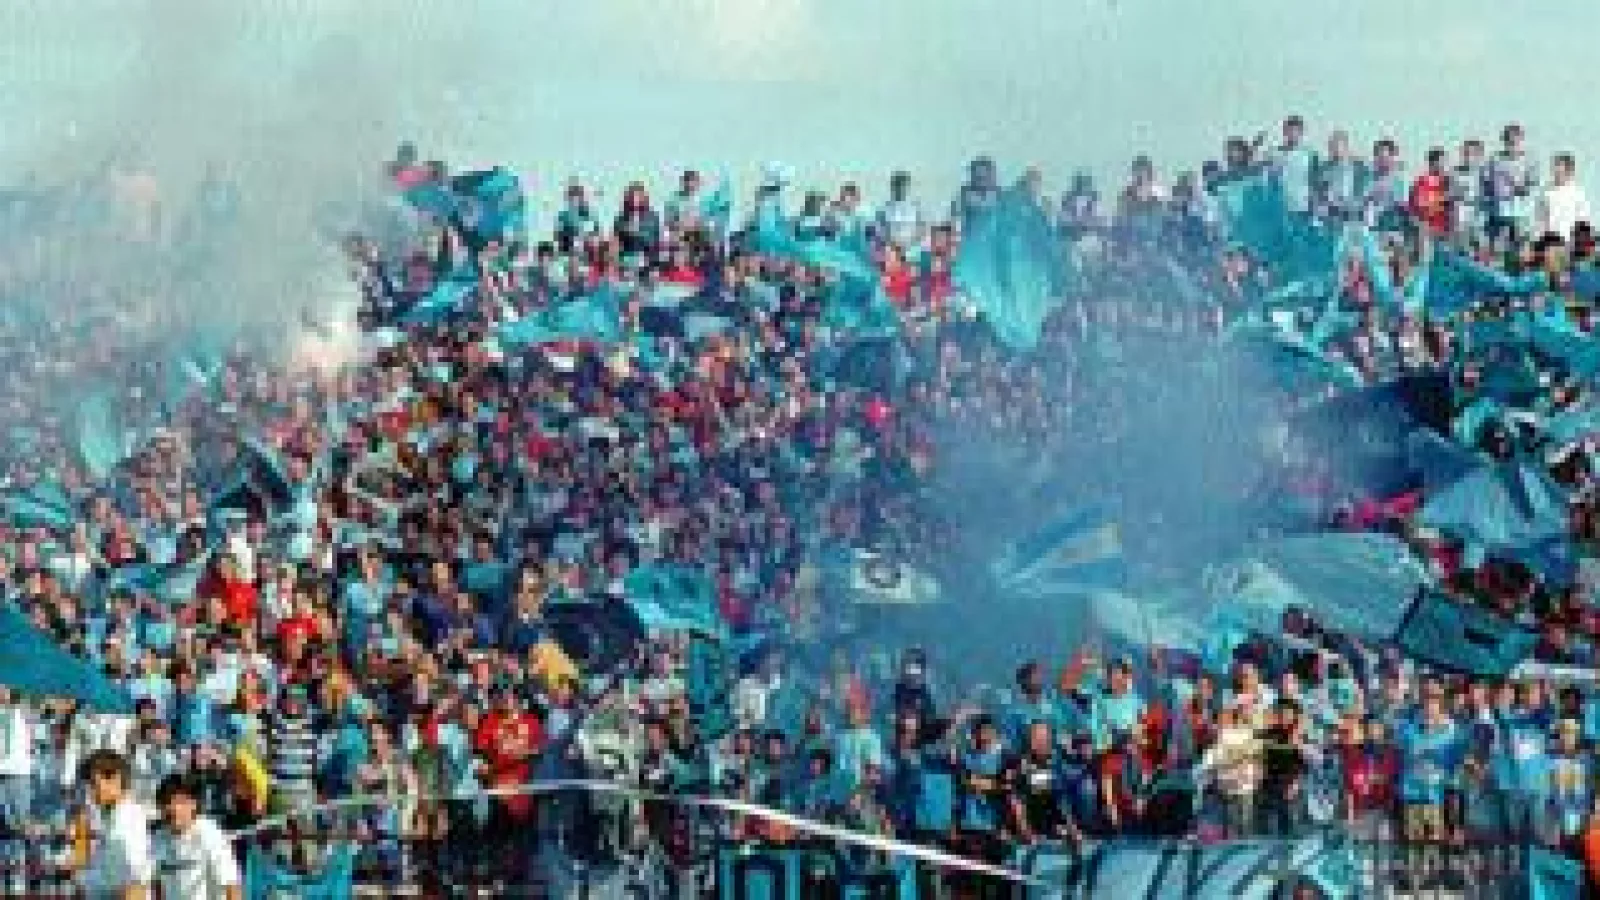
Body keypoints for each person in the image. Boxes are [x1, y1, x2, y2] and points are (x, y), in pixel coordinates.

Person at [77, 748, 154, 900]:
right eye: (90, 785)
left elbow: (136, 883)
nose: (91, 792)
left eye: (94, 785)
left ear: (117, 780)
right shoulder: (99, 813)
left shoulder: (131, 818)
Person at [151, 774, 240, 900]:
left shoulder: (210, 834)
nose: (173, 808)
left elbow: (231, 886)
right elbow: (157, 887)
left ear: (193, 804)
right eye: (166, 803)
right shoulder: (158, 839)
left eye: (180, 802)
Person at [1536, 152, 1592, 241]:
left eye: (1559, 169)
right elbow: (1541, 219)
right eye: (1555, 168)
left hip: (1571, 240)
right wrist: (1541, 238)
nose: (1556, 172)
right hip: (1550, 240)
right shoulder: (1546, 192)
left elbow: (1583, 220)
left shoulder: (1577, 193)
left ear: (1568, 171)